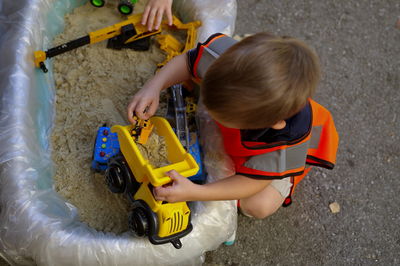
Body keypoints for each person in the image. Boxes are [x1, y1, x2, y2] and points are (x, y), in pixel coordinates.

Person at [126, 32, 339, 219]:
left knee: (258, 206)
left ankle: (286, 179)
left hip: (280, 157)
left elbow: (252, 181)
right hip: (251, 123)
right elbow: (189, 62)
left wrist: (195, 192)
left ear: (268, 123)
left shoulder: (288, 140)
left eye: (223, 115)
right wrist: (154, 86)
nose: (209, 109)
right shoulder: (229, 62)